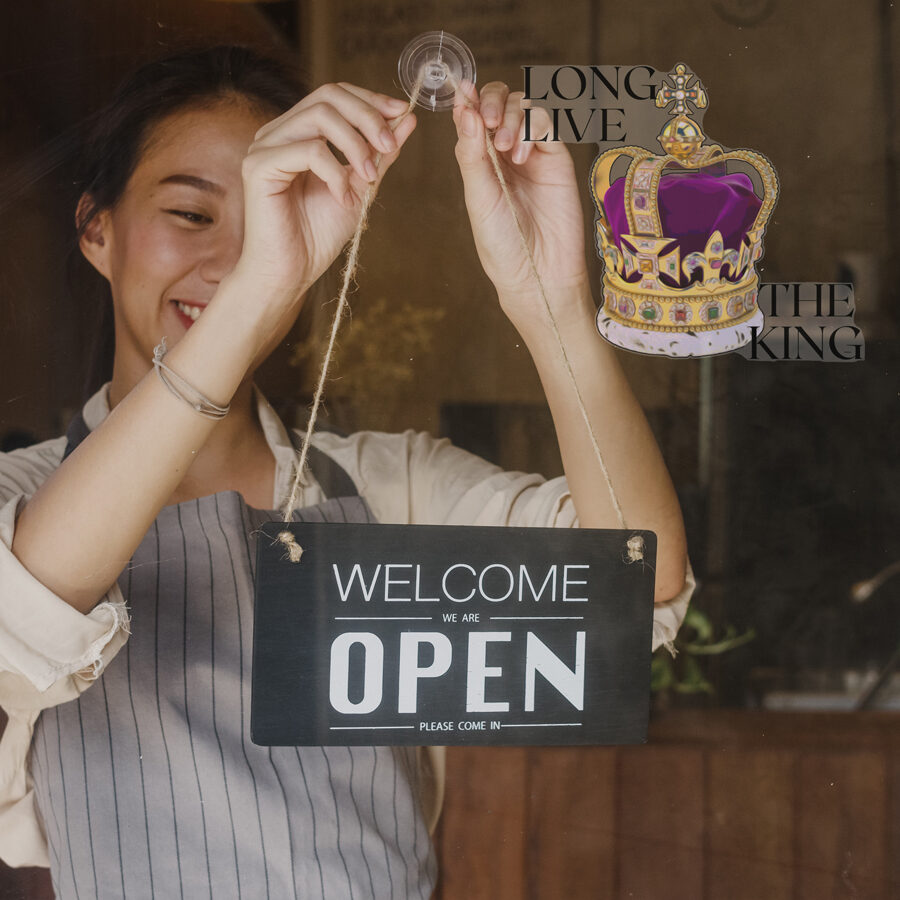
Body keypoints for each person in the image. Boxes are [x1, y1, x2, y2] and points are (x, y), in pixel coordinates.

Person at [0, 45, 692, 899]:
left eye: (269, 218)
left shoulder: (390, 485)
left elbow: (632, 594)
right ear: (95, 230)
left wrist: (550, 304)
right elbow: (23, 613)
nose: (231, 259)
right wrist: (251, 296)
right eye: (191, 213)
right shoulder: (23, 501)